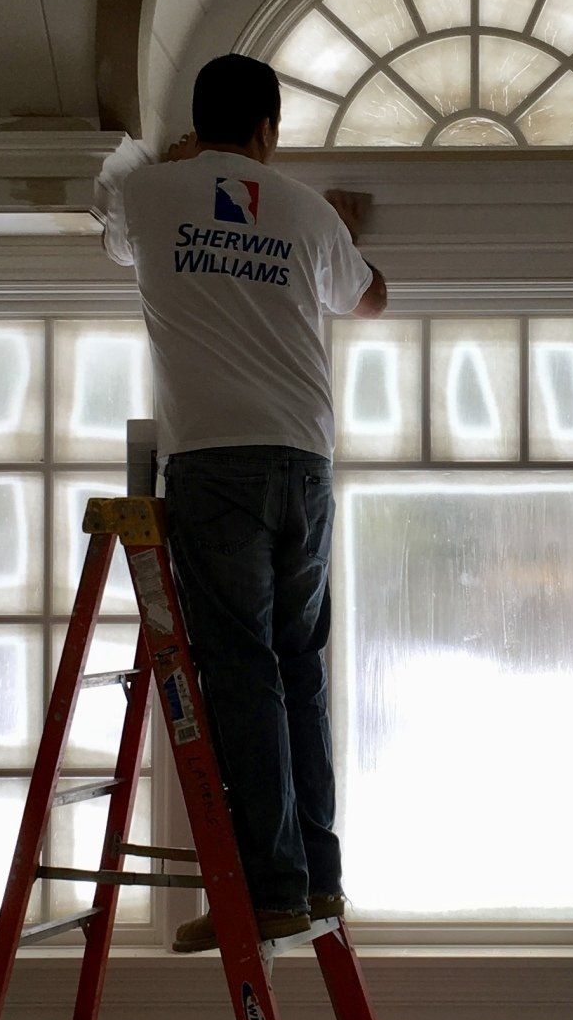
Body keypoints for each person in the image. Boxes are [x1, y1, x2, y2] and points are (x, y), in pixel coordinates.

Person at [91, 53, 387, 954]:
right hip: (305, 462)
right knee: (297, 668)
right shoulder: (304, 211)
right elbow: (372, 300)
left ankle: (271, 891)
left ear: (196, 122)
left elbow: (114, 236)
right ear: (269, 129)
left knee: (243, 672)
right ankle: (317, 880)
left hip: (216, 465)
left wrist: (180, 166)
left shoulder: (147, 194)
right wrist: (339, 238)